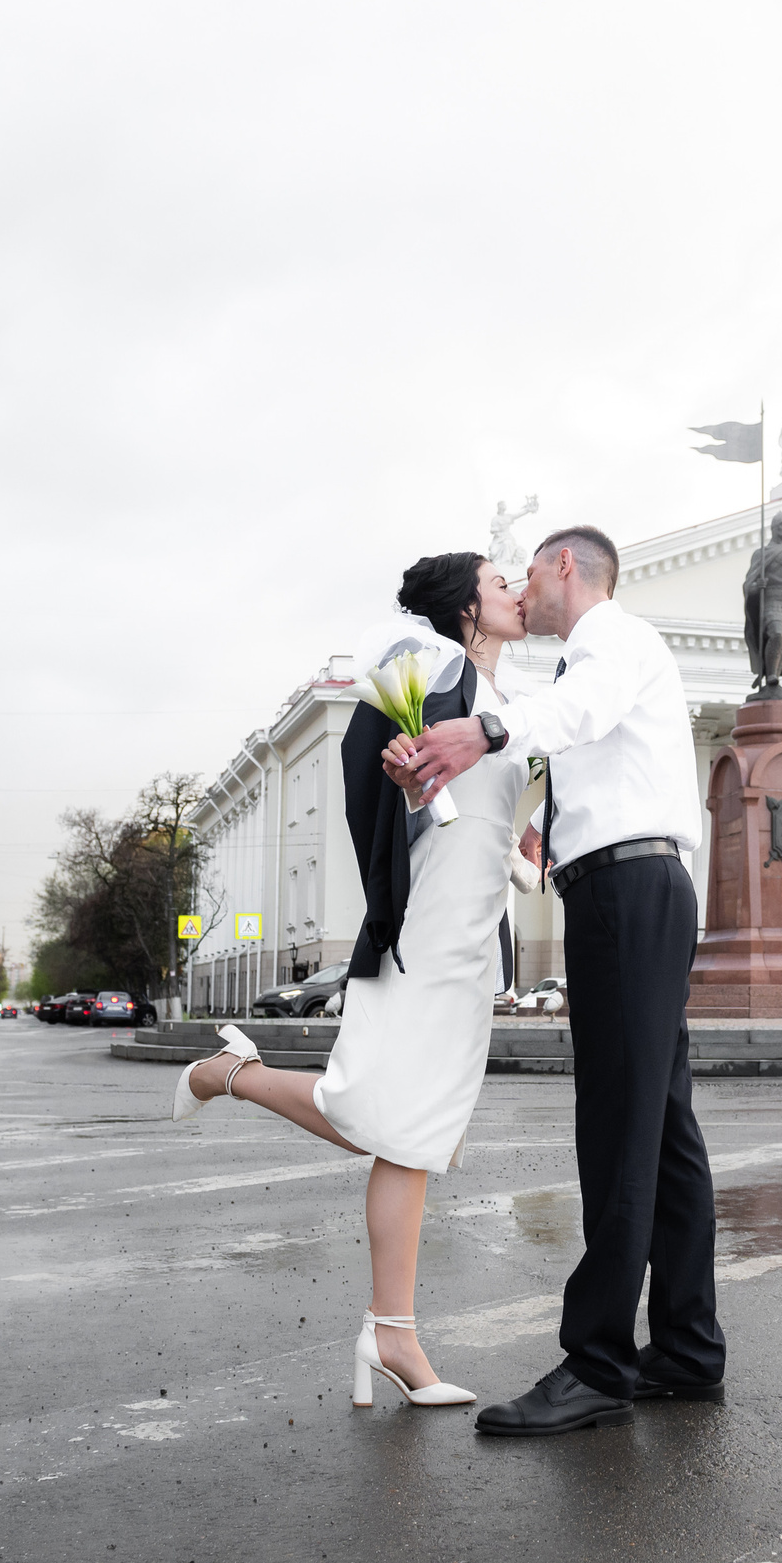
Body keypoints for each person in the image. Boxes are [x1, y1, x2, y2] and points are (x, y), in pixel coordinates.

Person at [172, 551, 531, 1412]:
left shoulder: (503, 702)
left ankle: (393, 1329)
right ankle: (231, 1074)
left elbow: (484, 813)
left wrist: (523, 855)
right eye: (500, 581)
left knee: (416, 1129)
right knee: (386, 1116)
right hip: (424, 929)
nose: (517, 589)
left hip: (471, 935)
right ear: (467, 610)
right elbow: (384, 787)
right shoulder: (436, 673)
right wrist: (410, 789)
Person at [399, 525, 723, 1437]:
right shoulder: (596, 661)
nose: (521, 589)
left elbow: (574, 716)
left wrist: (485, 727)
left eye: (527, 572)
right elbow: (588, 748)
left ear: (564, 568)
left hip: (629, 894)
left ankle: (597, 1363)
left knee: (619, 1124)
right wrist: (550, 832)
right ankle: (690, 1349)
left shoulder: (610, 640)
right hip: (632, 884)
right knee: (662, 1128)